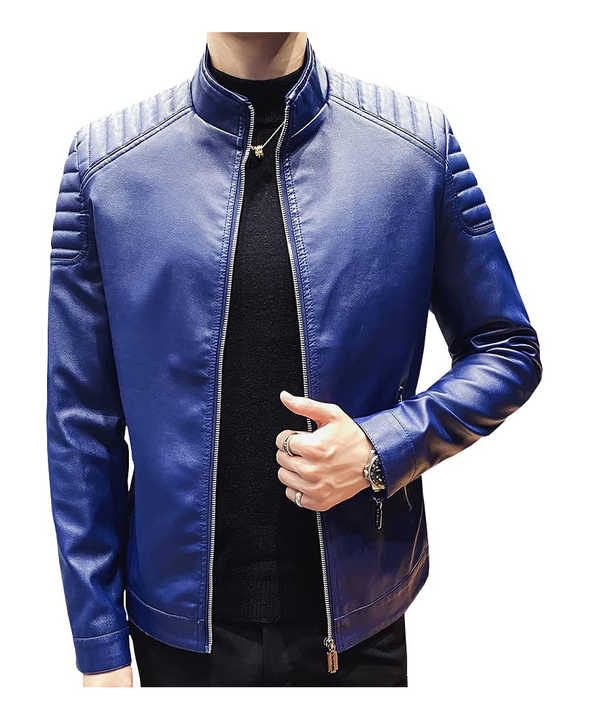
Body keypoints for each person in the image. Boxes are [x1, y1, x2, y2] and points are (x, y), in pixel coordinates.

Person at [46, 31, 541, 687]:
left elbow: (506, 347)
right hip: (175, 635)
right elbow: (80, 422)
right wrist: (100, 644)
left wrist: (382, 444)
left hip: (358, 626)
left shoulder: (414, 147)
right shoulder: (109, 167)